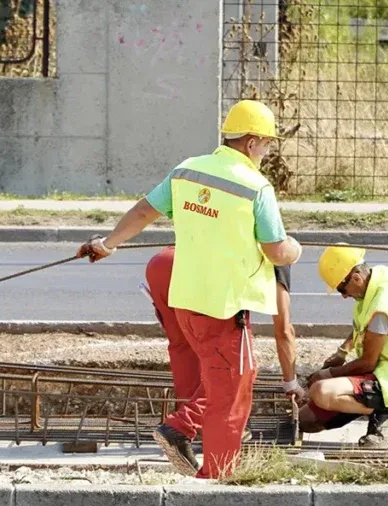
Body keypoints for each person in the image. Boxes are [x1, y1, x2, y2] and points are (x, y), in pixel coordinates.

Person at [77, 100, 303, 478]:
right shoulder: (256, 187)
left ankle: (184, 432)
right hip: (224, 306)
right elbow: (276, 250)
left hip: (186, 300)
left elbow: (144, 212)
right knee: (231, 393)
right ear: (250, 143)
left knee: (226, 379)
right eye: (266, 143)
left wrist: (108, 243)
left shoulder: (188, 171)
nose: (266, 151)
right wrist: (296, 248)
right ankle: (217, 477)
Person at [142, 246, 304, 454]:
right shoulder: (277, 260)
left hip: (165, 262)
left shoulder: (250, 235)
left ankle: (192, 423)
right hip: (204, 273)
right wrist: (291, 382)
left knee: (184, 348)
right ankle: (184, 425)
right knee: (239, 366)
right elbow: (283, 330)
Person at [298, 246, 388, 448]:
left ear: (355, 278)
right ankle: (375, 406)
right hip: (374, 373)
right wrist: (342, 352)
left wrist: (329, 374)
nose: (344, 296)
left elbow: (367, 363)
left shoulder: (381, 308)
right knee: (306, 421)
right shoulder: (380, 277)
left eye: (341, 289)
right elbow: (362, 328)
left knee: (321, 391)